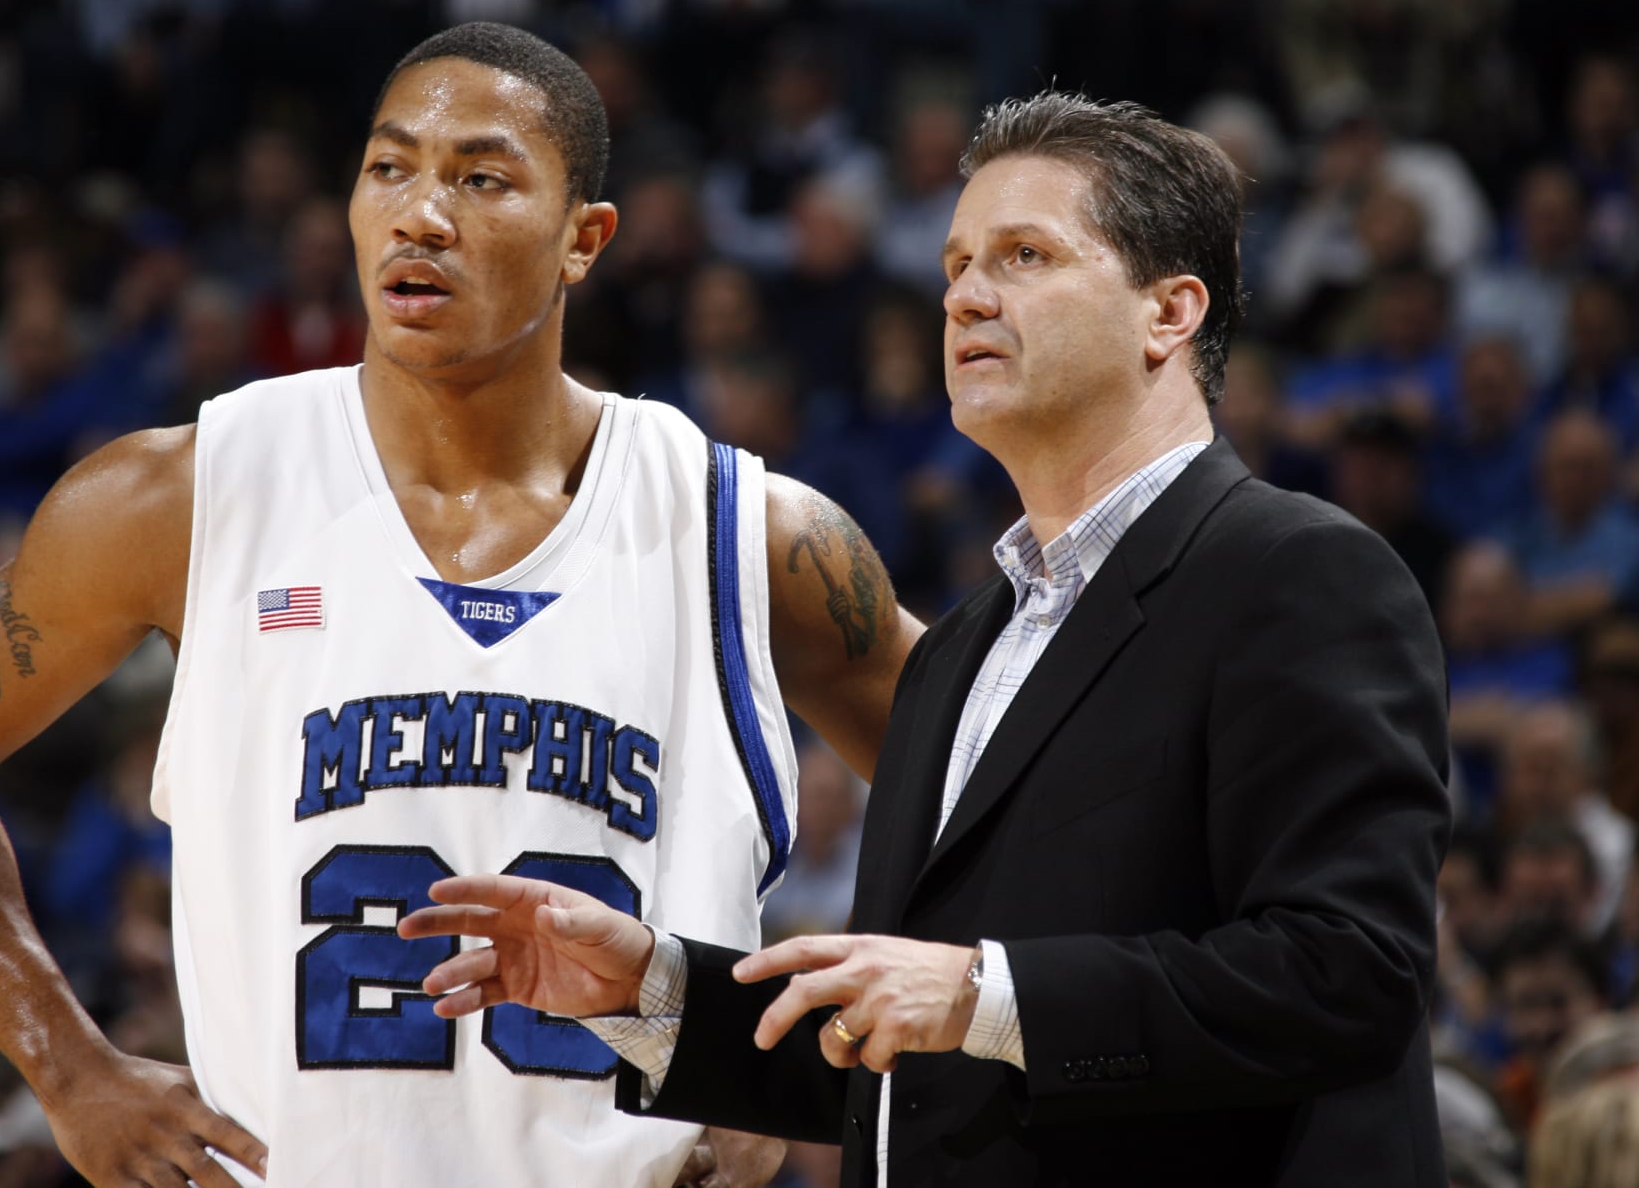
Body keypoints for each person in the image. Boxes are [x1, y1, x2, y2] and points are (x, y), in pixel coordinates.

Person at [0, 22, 922, 1188]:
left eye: (481, 178)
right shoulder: (182, 496)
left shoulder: (745, 534)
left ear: (583, 239)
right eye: (389, 168)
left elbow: (1008, 800)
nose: (420, 214)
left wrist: (785, 1055)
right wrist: (65, 1063)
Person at [403, 91, 1454, 1186]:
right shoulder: (958, 650)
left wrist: (980, 994)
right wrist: (656, 990)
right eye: (956, 266)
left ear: (1169, 314)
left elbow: (1350, 975)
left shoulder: (1298, 575)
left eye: (1025, 257)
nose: (965, 299)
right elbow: (908, 1064)